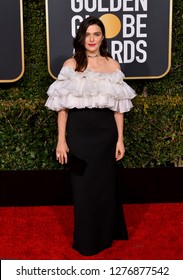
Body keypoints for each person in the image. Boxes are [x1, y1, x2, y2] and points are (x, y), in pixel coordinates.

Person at [45, 16, 136, 256]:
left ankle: (106, 235)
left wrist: (120, 139)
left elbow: (118, 109)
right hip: (79, 135)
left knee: (104, 187)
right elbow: (62, 108)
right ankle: (86, 240)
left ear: (103, 37)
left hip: (105, 135)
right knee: (83, 188)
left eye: (96, 34)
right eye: (87, 35)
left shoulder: (113, 65)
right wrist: (61, 140)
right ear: (81, 38)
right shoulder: (70, 64)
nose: (92, 39)